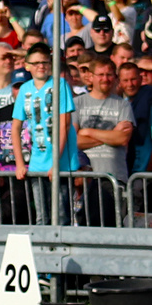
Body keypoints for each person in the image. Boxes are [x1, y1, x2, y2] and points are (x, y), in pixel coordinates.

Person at [11, 43, 79, 225]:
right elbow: (15, 127)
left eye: (45, 62)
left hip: (62, 162)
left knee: (62, 216)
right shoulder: (25, 89)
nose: (41, 66)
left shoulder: (61, 84)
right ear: (27, 66)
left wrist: (56, 163)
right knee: (42, 217)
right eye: (36, 63)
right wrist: (19, 163)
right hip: (37, 161)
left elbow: (65, 124)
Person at [74, 56, 134, 185]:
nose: (105, 79)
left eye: (109, 75)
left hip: (114, 177)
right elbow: (72, 140)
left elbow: (122, 139)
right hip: (84, 177)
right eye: (101, 75)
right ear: (91, 77)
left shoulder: (123, 105)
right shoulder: (77, 103)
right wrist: (112, 135)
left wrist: (87, 132)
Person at [119, 61, 152, 176]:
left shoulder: (148, 97)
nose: (130, 84)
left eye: (133, 79)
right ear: (119, 81)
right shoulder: (117, 101)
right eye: (125, 80)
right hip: (125, 167)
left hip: (144, 168)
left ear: (140, 79)